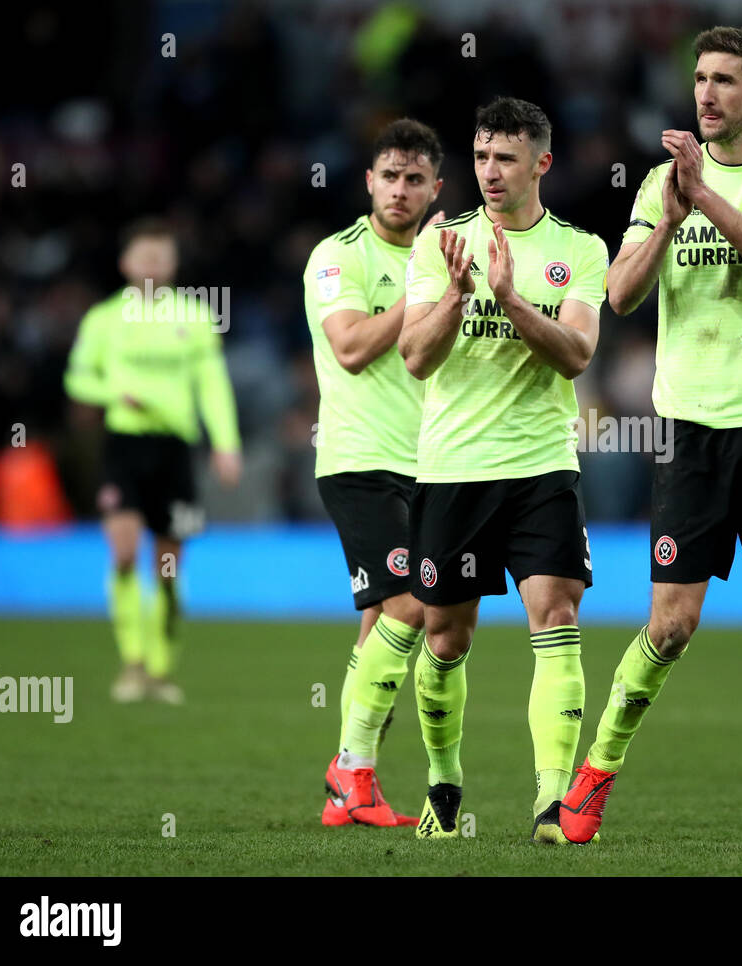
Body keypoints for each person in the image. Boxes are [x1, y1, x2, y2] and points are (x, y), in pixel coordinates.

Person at [560, 27, 742, 856]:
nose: (707, 94)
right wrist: (669, 216)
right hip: (692, 434)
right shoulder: (659, 185)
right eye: (699, 80)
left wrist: (708, 198)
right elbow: (618, 295)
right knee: (672, 625)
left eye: (725, 80)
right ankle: (595, 776)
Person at [400, 97, 608, 843]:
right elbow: (416, 357)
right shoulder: (439, 246)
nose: (489, 172)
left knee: (557, 616)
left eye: (506, 159)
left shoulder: (580, 251)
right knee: (446, 639)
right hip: (453, 468)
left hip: (542, 468)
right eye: (482, 157)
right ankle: (444, 782)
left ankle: (552, 804)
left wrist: (512, 297)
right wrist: (459, 294)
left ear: (541, 164)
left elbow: (577, 353)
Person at [304, 119, 447, 827]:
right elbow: (354, 346)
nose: (400, 189)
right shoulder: (338, 257)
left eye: (414, 178)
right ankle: (350, 767)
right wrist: (426, 282)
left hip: (435, 464)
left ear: (435, 188)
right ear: (368, 181)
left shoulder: (448, 257)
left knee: (382, 630)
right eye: (389, 175)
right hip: (361, 462)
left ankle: (350, 786)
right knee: (411, 608)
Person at [64, 219, 241, 705]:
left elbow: (213, 385)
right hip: (123, 445)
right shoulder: (103, 319)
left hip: (175, 451)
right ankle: (132, 662)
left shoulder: (195, 316)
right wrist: (113, 392)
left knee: (167, 565)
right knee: (123, 552)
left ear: (173, 265)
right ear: (126, 263)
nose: (152, 265)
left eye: (161, 257)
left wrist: (226, 443)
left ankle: (161, 669)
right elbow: (77, 380)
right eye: (143, 256)